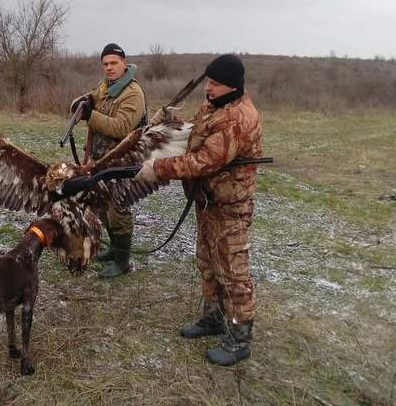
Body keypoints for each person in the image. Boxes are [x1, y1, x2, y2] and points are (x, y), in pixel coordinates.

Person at [136, 54, 262, 366]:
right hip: (208, 201)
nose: (208, 87)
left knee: (233, 271)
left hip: (229, 207)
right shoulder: (214, 106)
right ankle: (214, 317)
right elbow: (195, 135)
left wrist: (158, 168)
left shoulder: (237, 119)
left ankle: (239, 338)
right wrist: (168, 124)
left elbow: (203, 160)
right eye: (207, 81)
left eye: (215, 83)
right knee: (208, 261)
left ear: (231, 85)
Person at [70, 43, 146, 278]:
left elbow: (122, 127)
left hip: (123, 161)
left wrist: (90, 116)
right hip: (101, 160)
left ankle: (122, 261)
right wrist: (81, 102)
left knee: (118, 209)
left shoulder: (132, 93)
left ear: (124, 64)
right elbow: (94, 96)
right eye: (105, 64)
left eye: (114, 63)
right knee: (102, 206)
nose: (109, 68)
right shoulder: (107, 86)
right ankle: (114, 248)